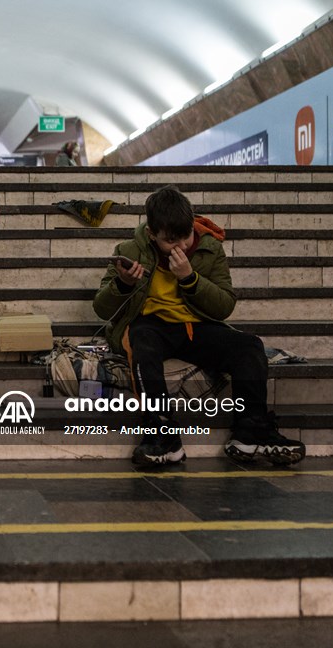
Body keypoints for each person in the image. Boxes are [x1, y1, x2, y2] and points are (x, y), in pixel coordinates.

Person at [92, 185, 305, 467]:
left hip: (197, 326)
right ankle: (162, 435)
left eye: (185, 236)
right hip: (152, 325)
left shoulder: (208, 247)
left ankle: (252, 431)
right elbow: (101, 308)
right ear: (152, 234)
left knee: (249, 346)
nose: (180, 246)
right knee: (141, 339)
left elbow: (225, 305)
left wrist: (190, 278)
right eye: (170, 241)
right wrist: (124, 283)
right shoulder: (130, 250)